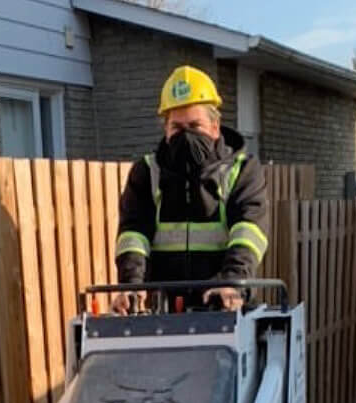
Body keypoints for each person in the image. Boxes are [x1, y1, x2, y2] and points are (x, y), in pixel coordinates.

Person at [112, 66, 269, 314]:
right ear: (166, 130)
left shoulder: (242, 171)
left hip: (223, 311)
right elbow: (133, 234)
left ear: (215, 127)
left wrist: (232, 283)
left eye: (195, 126)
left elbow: (248, 232)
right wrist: (131, 285)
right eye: (177, 128)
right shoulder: (147, 172)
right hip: (160, 316)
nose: (186, 136)